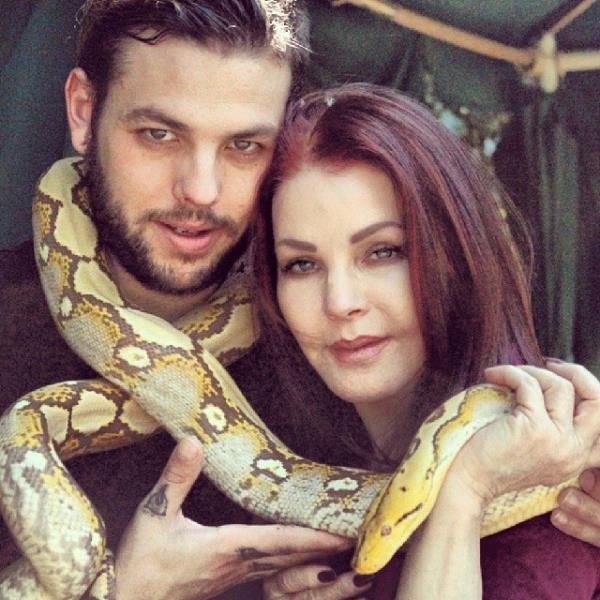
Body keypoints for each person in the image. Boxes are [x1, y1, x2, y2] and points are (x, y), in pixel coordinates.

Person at [1, 1, 600, 599]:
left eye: (244, 146)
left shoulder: (337, 365)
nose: (201, 190)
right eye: (158, 134)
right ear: (83, 112)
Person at [248, 83, 600, 599]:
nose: (340, 301)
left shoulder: (553, 499)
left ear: (456, 252)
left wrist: (464, 488)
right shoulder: (297, 477)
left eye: (383, 252)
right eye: (301, 264)